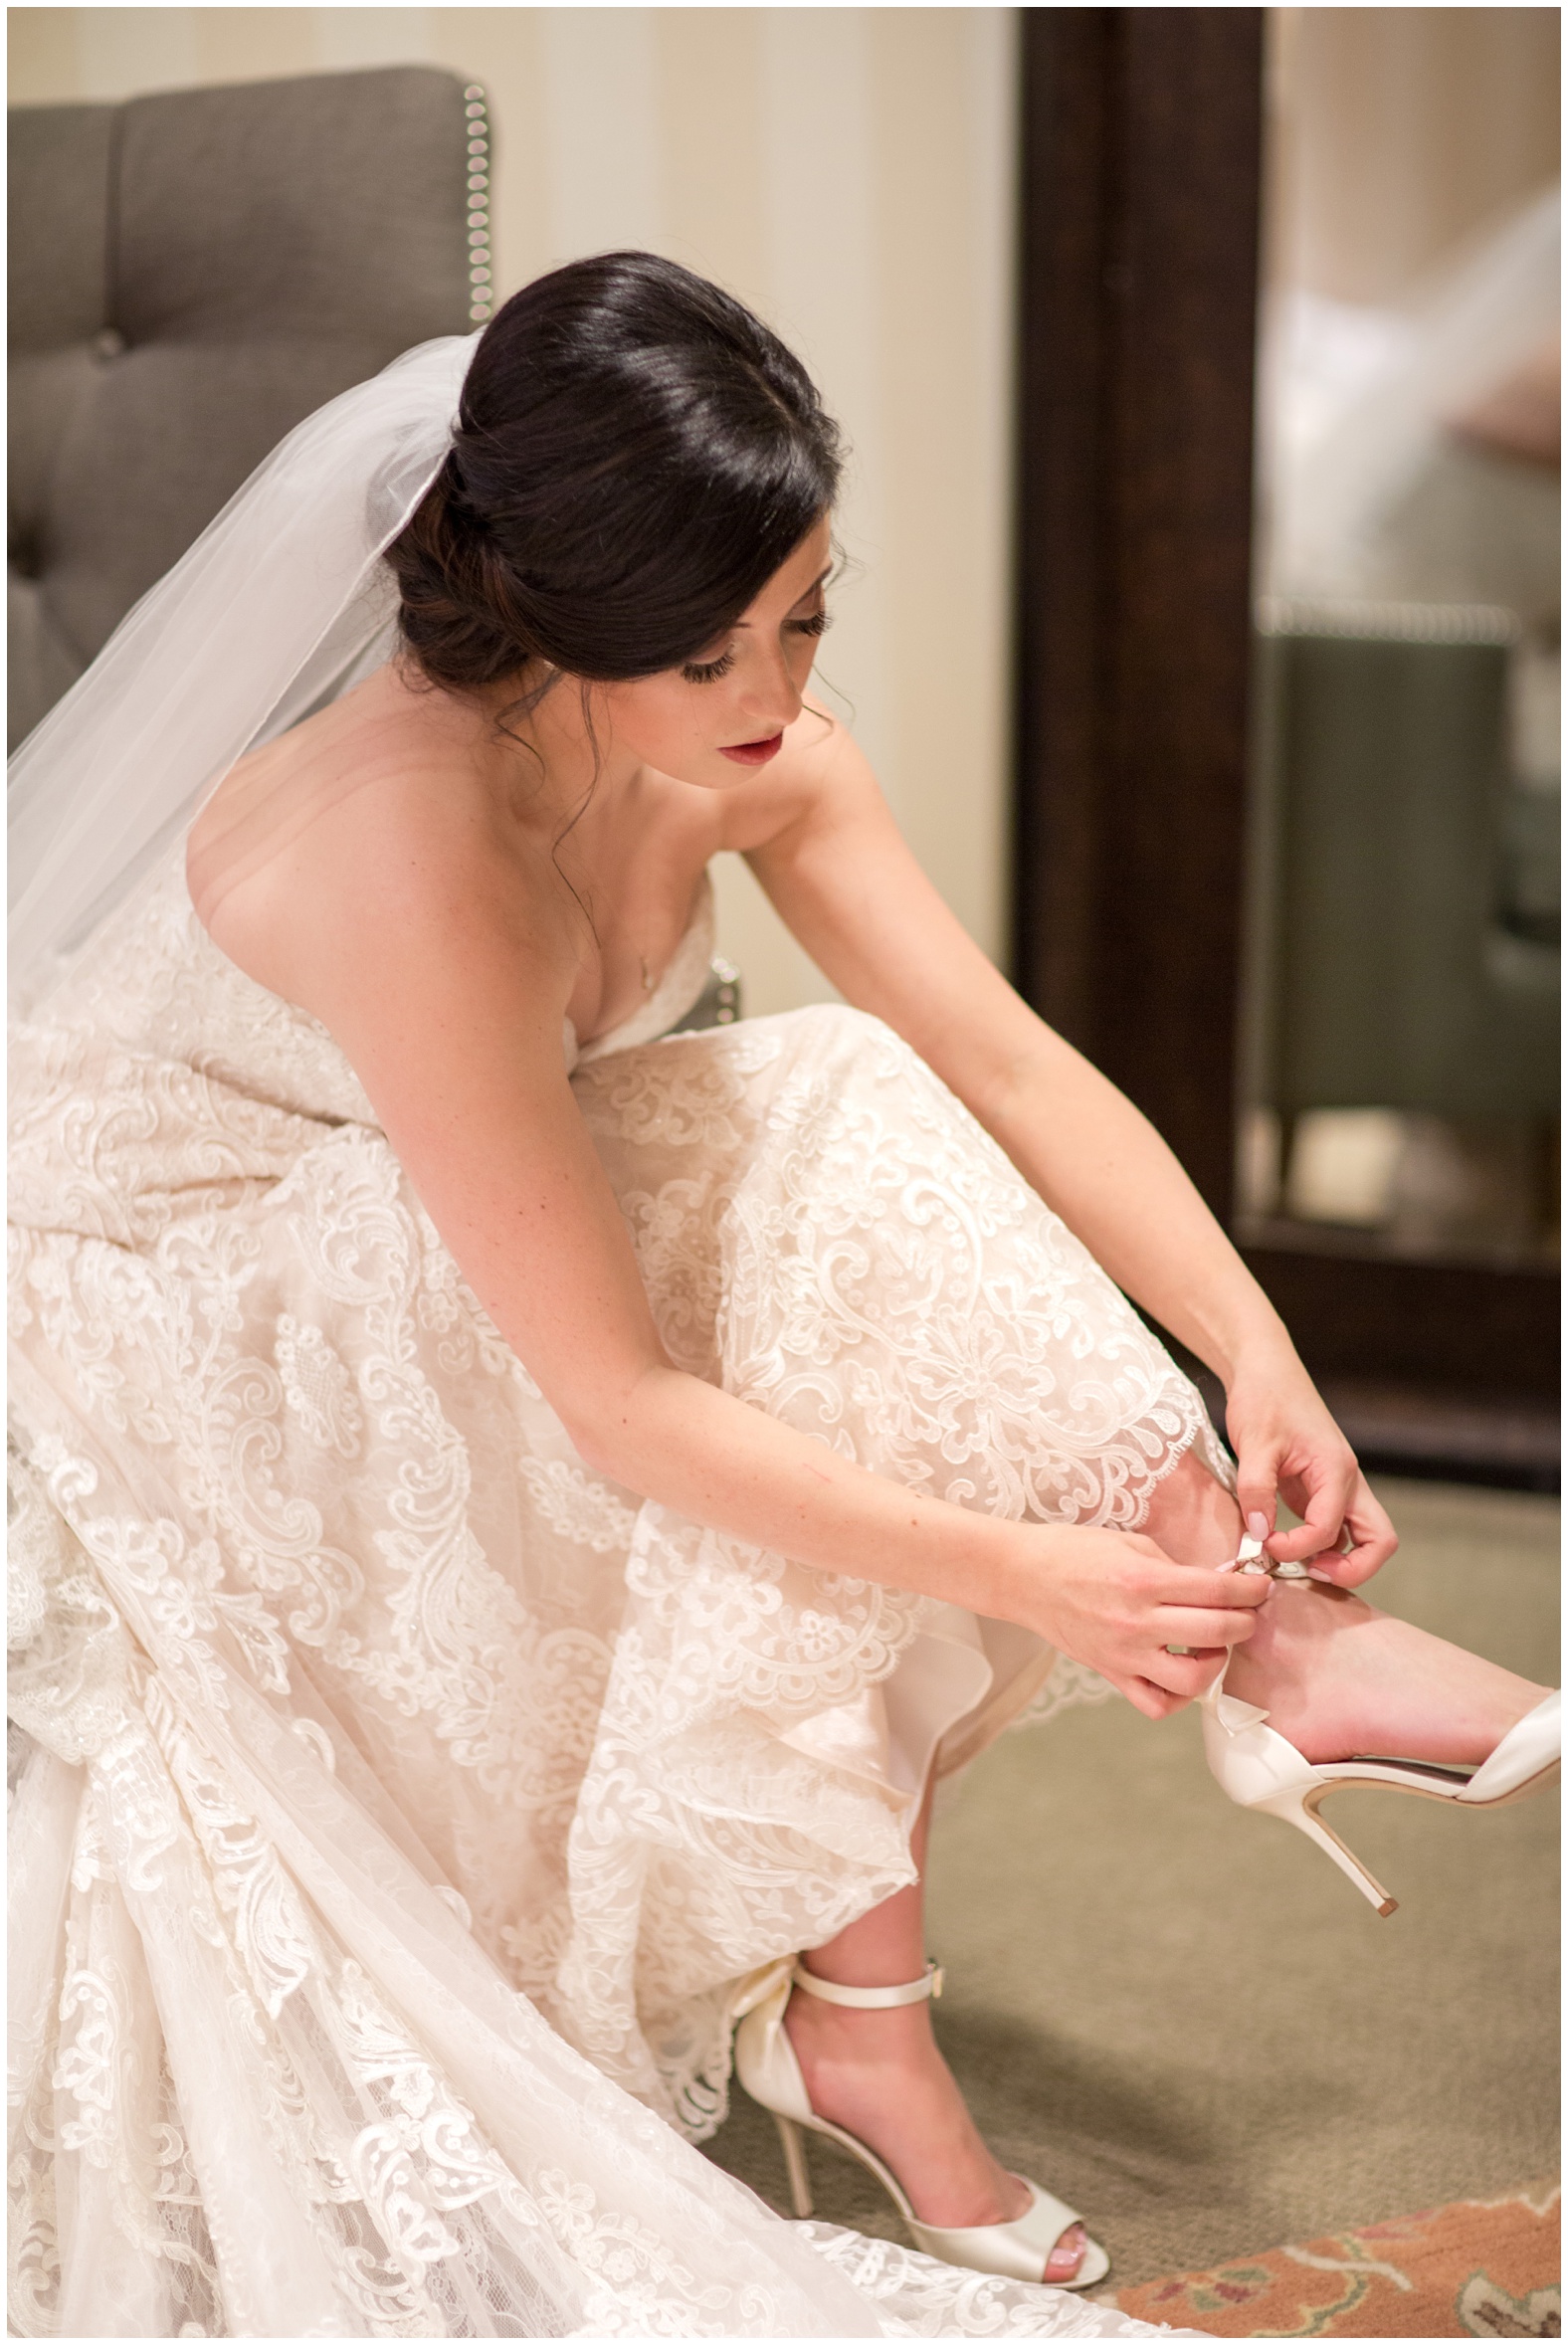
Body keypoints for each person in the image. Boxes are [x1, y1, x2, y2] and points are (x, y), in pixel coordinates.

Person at [8, 252, 1555, 2340]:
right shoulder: (420, 849)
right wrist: (1032, 1568)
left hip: (405, 1248)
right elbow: (619, 1408)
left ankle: (947, 1951)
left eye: (803, 610)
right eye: (702, 643)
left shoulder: (747, 746)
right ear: (550, 615)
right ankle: (1186, 1734)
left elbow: (1006, 1061)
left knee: (854, 1127)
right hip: (145, 1348)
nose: (769, 686)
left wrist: (1253, 1350)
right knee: (808, 1172)